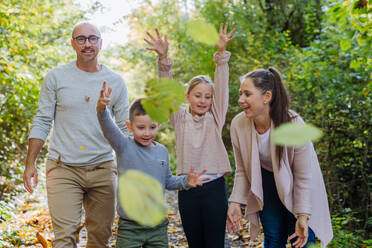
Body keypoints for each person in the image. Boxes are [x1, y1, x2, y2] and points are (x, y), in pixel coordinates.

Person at [23, 22, 130, 247]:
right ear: (73, 44)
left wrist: (132, 169)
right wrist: (30, 163)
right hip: (63, 168)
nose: (87, 43)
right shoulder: (56, 77)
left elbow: (124, 130)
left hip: (102, 167)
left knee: (100, 238)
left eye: (93, 38)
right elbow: (43, 120)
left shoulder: (116, 82)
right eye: (81, 39)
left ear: (100, 43)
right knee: (64, 238)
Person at [144, 23, 235, 248]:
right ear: (187, 96)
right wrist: (163, 60)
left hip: (214, 189)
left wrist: (221, 55)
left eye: (207, 97)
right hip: (188, 190)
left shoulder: (215, 118)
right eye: (197, 95)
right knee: (195, 244)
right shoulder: (180, 118)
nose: (203, 101)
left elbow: (222, 88)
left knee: (214, 244)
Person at [226, 68, 333, 247]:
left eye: (247, 94)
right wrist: (235, 202)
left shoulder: (294, 124)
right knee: (273, 235)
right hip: (266, 180)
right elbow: (243, 169)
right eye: (240, 94)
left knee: (301, 237)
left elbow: (303, 177)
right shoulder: (239, 124)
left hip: (300, 183)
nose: (240, 100)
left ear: (266, 96)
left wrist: (302, 216)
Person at [96, 83, 208, 248]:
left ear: (158, 125)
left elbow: (168, 181)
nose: (147, 133)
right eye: (141, 128)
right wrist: (102, 109)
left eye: (152, 127)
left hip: (157, 226)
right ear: (130, 126)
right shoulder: (123, 146)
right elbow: (108, 128)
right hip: (130, 227)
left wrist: (186, 181)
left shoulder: (161, 151)